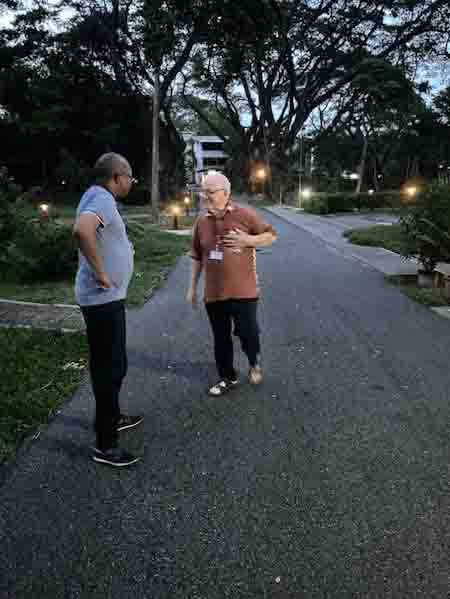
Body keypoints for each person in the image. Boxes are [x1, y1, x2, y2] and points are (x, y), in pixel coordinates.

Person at [73, 152, 142, 467]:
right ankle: (106, 444)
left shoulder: (99, 197)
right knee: (108, 369)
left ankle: (111, 418)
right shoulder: (101, 198)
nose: (131, 182)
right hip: (102, 300)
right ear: (117, 177)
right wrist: (102, 273)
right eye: (130, 177)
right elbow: (82, 230)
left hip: (107, 299)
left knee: (116, 364)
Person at [186, 171, 277, 396]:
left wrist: (248, 240)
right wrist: (192, 288)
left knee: (248, 332)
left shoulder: (245, 214)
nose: (205, 196)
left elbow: (271, 235)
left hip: (244, 290)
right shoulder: (201, 221)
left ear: (225, 193)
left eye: (210, 191)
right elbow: (196, 256)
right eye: (204, 192)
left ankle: (254, 361)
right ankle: (228, 377)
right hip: (214, 292)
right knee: (221, 338)